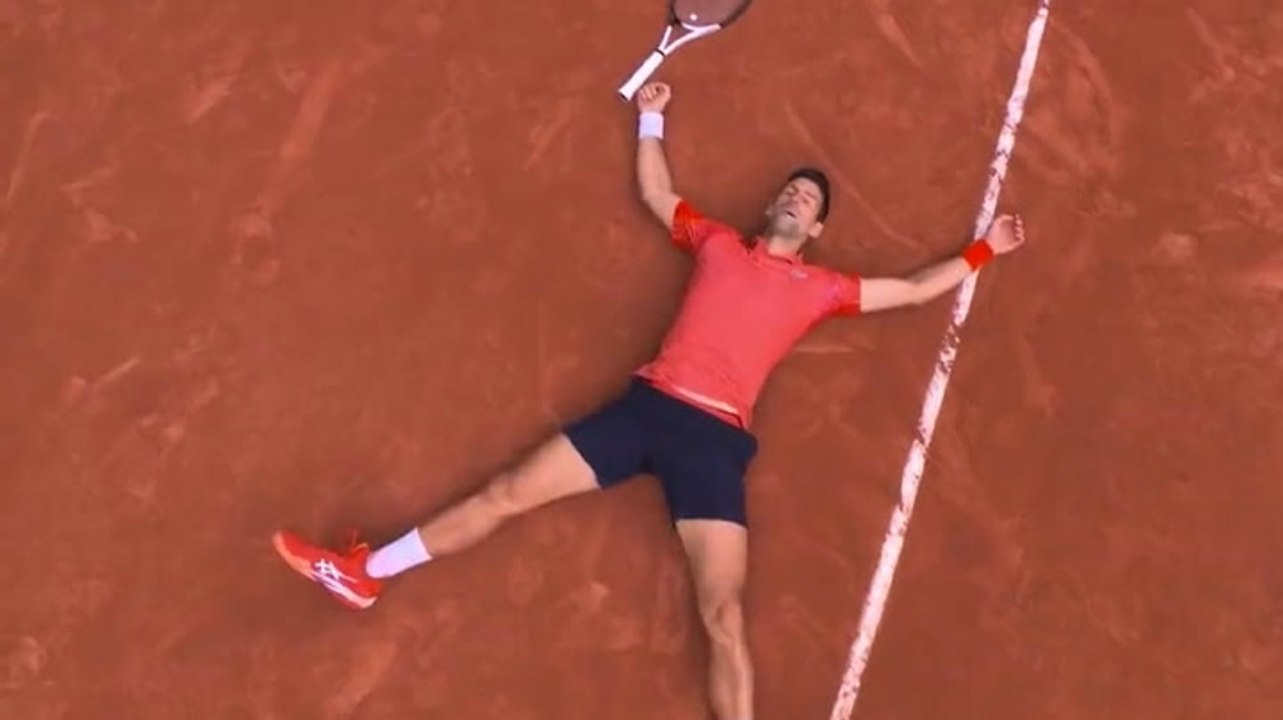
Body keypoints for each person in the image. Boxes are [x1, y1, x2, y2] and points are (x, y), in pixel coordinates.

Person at [271, 81, 1027, 720]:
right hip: (643, 414)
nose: (798, 199)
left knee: (721, 616)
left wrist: (985, 248)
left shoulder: (823, 289)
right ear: (772, 207)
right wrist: (651, 115)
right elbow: (656, 191)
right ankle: (367, 574)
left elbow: (918, 287)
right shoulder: (718, 243)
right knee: (505, 492)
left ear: (818, 228)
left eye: (810, 200)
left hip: (711, 446)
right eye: (792, 191)